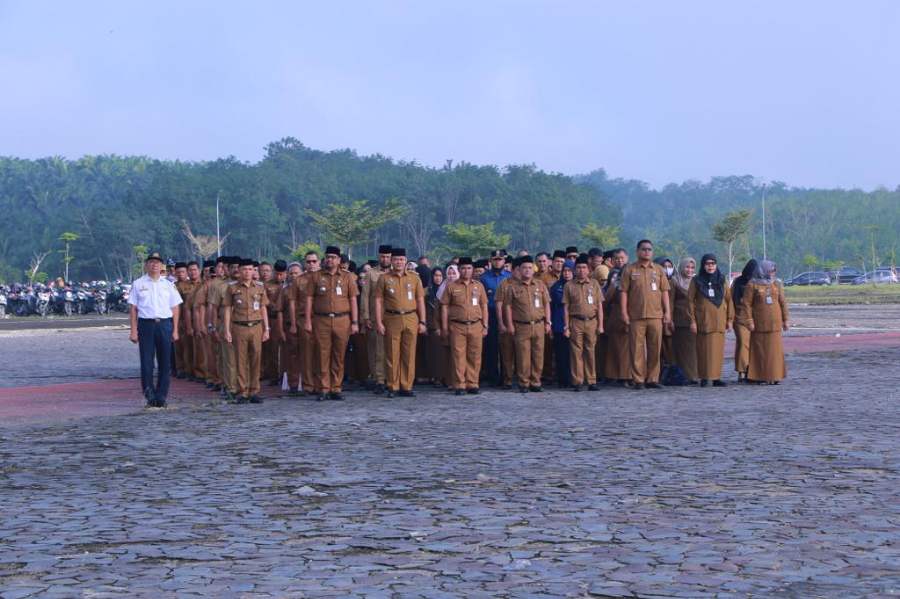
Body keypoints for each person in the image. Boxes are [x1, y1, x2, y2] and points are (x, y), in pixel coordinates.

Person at [128, 251, 183, 408]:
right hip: (146, 325)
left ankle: (161, 395)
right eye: (151, 262)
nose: (154, 265)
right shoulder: (138, 284)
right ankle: (149, 394)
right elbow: (133, 308)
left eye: (157, 262)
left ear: (162, 266)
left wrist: (175, 330)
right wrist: (133, 330)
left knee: (165, 362)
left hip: (165, 324)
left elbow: (175, 307)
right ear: (146, 265)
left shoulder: (168, 285)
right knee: (147, 361)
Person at [304, 247, 358, 401]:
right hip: (322, 320)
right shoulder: (316, 277)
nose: (330, 260)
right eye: (327, 257)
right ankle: (323, 388)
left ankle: (336, 387)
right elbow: (309, 299)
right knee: (322, 354)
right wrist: (308, 320)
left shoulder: (348, 277)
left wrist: (354, 322)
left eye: (333, 257)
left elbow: (353, 299)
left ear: (339, 260)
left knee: (339, 355)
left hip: (342, 320)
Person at [374, 248, 426, 398]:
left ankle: (406, 386)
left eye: (402, 260)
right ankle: (393, 386)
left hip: (411, 317)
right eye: (396, 259)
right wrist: (379, 322)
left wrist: (422, 321)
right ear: (391, 261)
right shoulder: (384, 278)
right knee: (391, 353)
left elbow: (420, 300)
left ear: (406, 261)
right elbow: (378, 301)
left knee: (409, 354)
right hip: (391, 318)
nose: (399, 262)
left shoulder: (414, 278)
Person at [620, 240, 671, 389]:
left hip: (656, 316)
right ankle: (638, 379)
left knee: (655, 349)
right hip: (636, 316)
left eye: (649, 249)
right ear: (637, 251)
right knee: (636, 349)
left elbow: (665, 293)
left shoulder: (659, 270)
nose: (647, 252)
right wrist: (624, 313)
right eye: (643, 249)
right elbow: (623, 292)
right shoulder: (629, 270)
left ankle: (653, 379)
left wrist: (667, 312)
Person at [223, 258, 270, 403]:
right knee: (240, 360)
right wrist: (227, 330)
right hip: (239, 326)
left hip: (256, 326)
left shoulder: (260, 287)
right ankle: (242, 391)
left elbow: (263, 308)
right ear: (239, 271)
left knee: (256, 359)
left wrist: (266, 328)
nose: (247, 272)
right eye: (244, 269)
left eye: (250, 269)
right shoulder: (232, 288)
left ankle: (254, 391)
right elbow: (227, 309)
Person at [440, 257, 488, 395]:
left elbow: (484, 305)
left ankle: (472, 383)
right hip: (457, 326)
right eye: (463, 268)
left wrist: (485, 325)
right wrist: (444, 327)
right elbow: (444, 307)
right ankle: (459, 384)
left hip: (476, 325)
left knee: (474, 356)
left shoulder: (478, 286)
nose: (466, 271)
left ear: (473, 270)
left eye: (469, 268)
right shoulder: (452, 286)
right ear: (459, 270)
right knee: (458, 356)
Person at [504, 255, 551, 393]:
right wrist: (510, 325)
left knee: (538, 355)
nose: (527, 270)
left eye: (530, 268)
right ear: (519, 270)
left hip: (538, 325)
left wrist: (548, 322)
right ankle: (524, 383)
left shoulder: (540, 285)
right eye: (524, 268)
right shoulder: (512, 287)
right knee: (523, 356)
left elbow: (546, 304)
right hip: (521, 326)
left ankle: (536, 382)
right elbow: (507, 307)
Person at [738, 260, 789, 385]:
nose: (773, 273)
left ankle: (774, 376)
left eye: (774, 270)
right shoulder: (752, 284)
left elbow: (782, 302)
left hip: (775, 324)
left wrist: (785, 320)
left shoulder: (776, 284)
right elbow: (746, 304)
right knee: (760, 351)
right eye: (771, 270)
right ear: (763, 270)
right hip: (758, 324)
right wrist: (749, 321)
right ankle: (759, 376)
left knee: (774, 352)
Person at [689, 254, 733, 386]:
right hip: (704, 320)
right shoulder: (696, 280)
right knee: (704, 350)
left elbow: (729, 300)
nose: (710, 266)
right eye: (707, 264)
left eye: (713, 263)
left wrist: (730, 320)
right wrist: (692, 321)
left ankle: (716, 377)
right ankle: (704, 377)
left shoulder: (722, 279)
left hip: (719, 321)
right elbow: (690, 301)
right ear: (703, 265)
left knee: (718, 350)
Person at [564, 254, 604, 391]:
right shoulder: (569, 285)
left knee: (590, 351)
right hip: (576, 322)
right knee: (576, 352)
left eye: (584, 267)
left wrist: (601, 325)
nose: (581, 270)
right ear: (575, 270)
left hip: (592, 321)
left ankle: (591, 381)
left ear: (588, 270)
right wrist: (566, 326)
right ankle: (578, 381)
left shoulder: (594, 284)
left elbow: (599, 306)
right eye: (579, 268)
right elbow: (566, 307)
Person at [361, 245, 392, 394]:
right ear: (379, 257)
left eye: (387, 256)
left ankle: (392, 379)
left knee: (392, 349)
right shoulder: (371, 274)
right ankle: (379, 379)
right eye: (382, 256)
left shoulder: (396, 273)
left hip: (393, 316)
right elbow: (365, 296)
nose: (385, 259)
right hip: (374, 316)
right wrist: (365, 316)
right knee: (377, 350)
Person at [480, 250, 510, 387]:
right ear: (491, 261)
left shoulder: (510, 277)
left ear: (504, 261)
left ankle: (506, 377)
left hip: (507, 314)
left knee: (507, 347)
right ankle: (493, 377)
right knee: (491, 347)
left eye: (500, 259)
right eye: (495, 259)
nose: (498, 261)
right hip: (490, 314)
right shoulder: (484, 278)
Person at [670, 257, 698, 383]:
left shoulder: (696, 282)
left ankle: (695, 375)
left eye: (692, 267)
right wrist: (669, 319)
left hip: (694, 319)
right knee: (683, 350)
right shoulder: (674, 281)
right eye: (687, 267)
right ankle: (686, 376)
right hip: (680, 319)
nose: (689, 270)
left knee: (693, 350)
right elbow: (670, 302)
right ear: (681, 267)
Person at [731, 259, 758, 383]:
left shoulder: (757, 282)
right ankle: (742, 371)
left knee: (751, 345)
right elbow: (732, 299)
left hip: (753, 318)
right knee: (743, 344)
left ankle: (751, 370)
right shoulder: (738, 282)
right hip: (739, 317)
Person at [261, 260, 287, 386]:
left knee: (286, 349)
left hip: (287, 320)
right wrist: (275, 305)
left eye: (281, 274)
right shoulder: (266, 285)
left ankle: (285, 375)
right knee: (273, 349)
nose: (279, 277)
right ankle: (273, 376)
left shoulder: (289, 284)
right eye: (277, 274)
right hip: (273, 319)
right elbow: (265, 302)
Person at [549, 261, 573, 389]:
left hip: (575, 324)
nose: (567, 274)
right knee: (561, 354)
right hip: (559, 323)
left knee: (573, 354)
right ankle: (563, 380)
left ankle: (575, 378)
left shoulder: (578, 285)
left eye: (570, 271)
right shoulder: (556, 287)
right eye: (565, 271)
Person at [425, 267, 448, 386]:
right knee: (435, 353)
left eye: (440, 275)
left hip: (447, 326)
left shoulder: (447, 290)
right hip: (431, 326)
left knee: (446, 354)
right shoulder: (427, 291)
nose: (438, 278)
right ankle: (436, 377)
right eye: (435, 275)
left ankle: (446, 377)